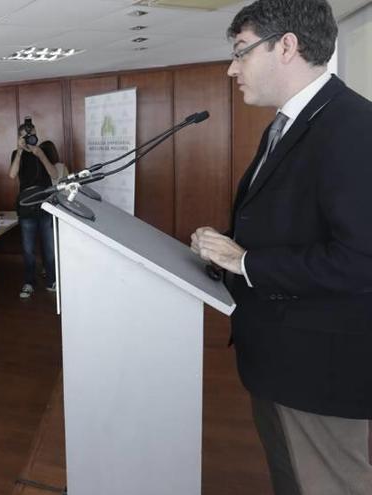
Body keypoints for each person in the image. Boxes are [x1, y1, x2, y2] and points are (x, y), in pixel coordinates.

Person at [190, 1, 372, 493]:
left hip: (322, 369)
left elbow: (361, 261)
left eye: (241, 52)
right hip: (278, 357)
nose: (232, 68)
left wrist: (244, 261)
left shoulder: (354, 127)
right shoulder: (290, 123)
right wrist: (228, 256)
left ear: (286, 46)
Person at [8, 117, 60, 299]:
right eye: (26, 137)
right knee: (28, 248)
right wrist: (21, 152)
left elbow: (54, 174)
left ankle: (52, 280)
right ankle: (29, 282)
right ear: (19, 138)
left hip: (45, 204)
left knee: (49, 247)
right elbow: (12, 175)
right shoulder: (16, 153)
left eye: (33, 135)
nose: (30, 139)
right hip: (26, 207)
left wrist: (40, 155)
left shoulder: (43, 150)